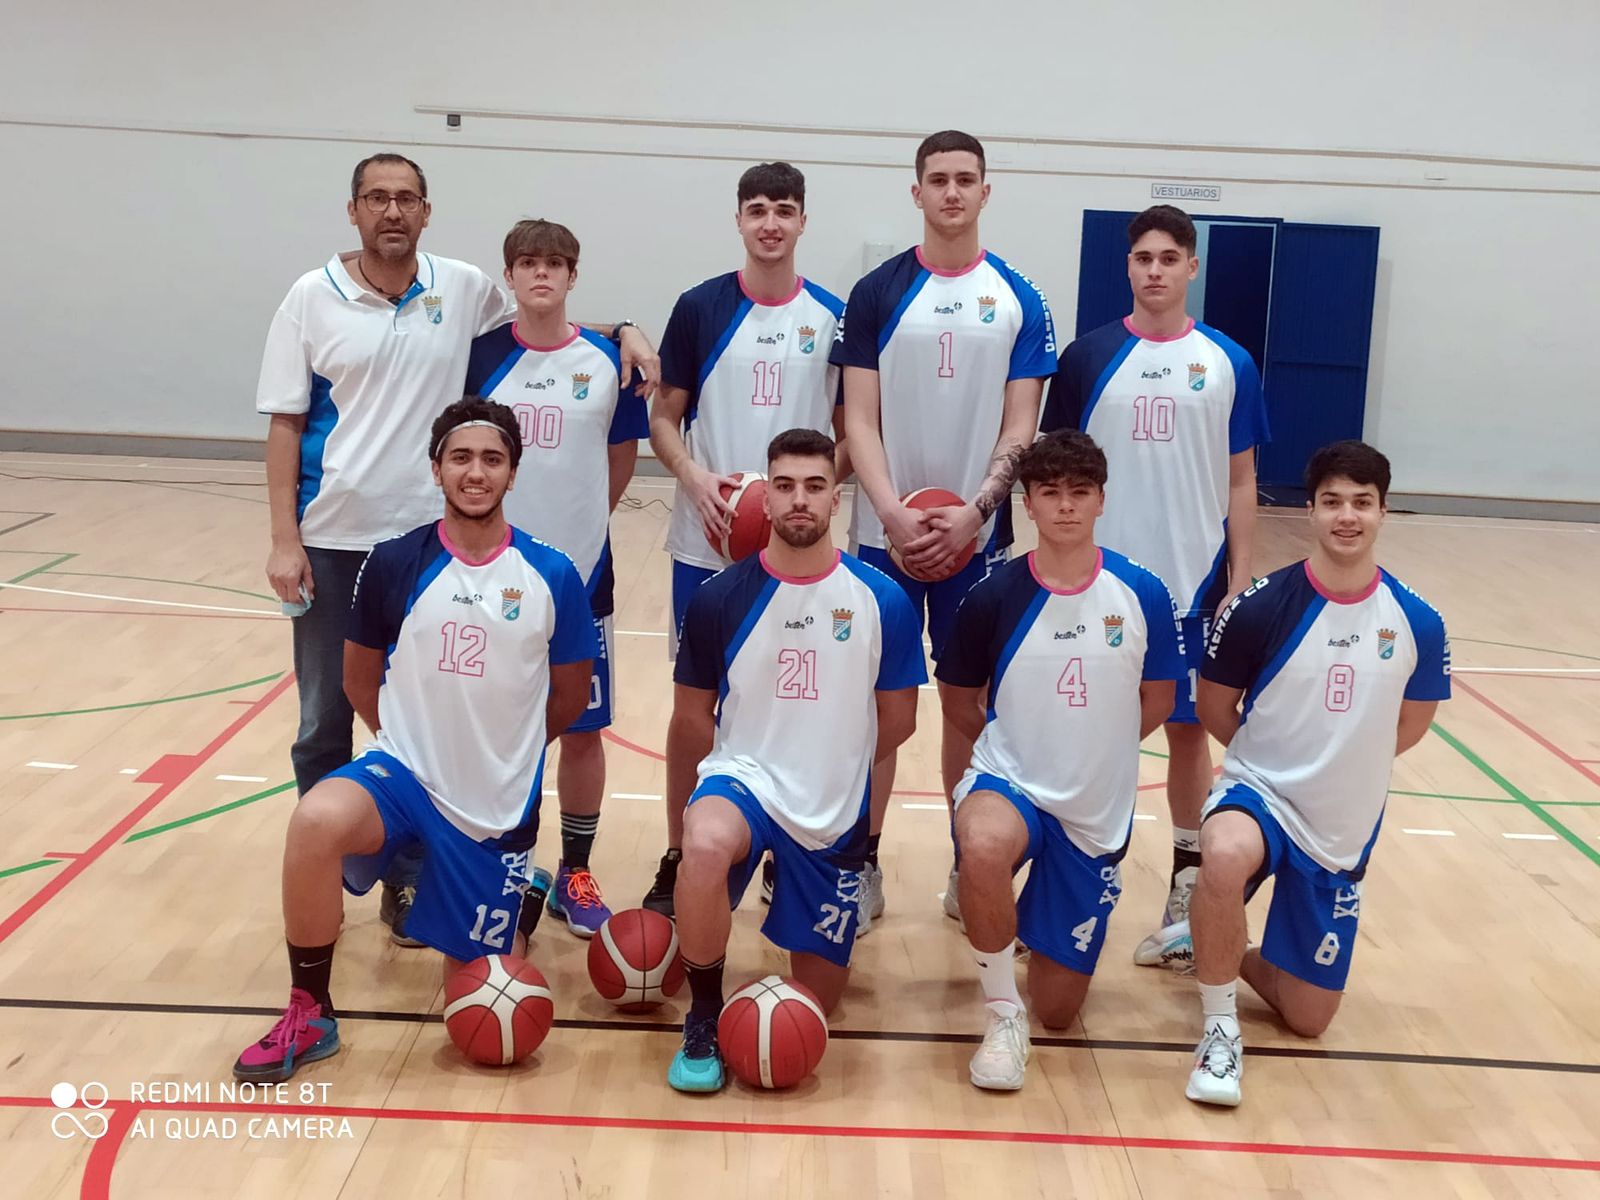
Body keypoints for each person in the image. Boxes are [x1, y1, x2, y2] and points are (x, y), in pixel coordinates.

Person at [257, 152, 658, 944]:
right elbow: (283, 423)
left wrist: (626, 329)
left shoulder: (460, 288)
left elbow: (553, 317)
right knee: (326, 718)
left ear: (427, 211)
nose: (392, 211)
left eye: (406, 198)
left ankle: (416, 877)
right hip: (336, 537)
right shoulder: (310, 297)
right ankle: (336, 865)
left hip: (434, 545)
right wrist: (282, 539)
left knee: (452, 722)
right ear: (354, 210)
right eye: (377, 198)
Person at [232, 397, 597, 1083]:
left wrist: (506, 748)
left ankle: (522, 893)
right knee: (314, 821)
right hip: (403, 778)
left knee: (483, 1007)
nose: (476, 472)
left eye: (492, 459)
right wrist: (409, 741)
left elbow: (569, 698)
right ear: (437, 468)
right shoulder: (394, 562)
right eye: (461, 458)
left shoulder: (552, 575)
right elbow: (358, 679)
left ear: (513, 473)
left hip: (491, 810)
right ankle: (310, 1012)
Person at [1182, 440, 1450, 1107]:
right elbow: (1214, 706)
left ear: (1384, 511)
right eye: (1332, 501)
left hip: (1341, 823)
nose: (1347, 516)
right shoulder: (1262, 607)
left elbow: (1412, 724)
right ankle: (1219, 1030)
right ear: (1309, 511)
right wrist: (1275, 760)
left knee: (1307, 1018)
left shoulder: (1418, 622)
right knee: (1224, 852)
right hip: (1261, 793)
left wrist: (1341, 761)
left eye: (1362, 502)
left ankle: (1209, 934)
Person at [833, 129, 1056, 924]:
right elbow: (858, 417)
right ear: (916, 191)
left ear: (986, 192)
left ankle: (973, 867)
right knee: (875, 711)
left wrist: (974, 513)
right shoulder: (876, 293)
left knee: (972, 709)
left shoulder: (1020, 298)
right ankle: (859, 863)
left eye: (966, 179)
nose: (952, 192)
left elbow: (1020, 423)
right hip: (879, 539)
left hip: (979, 543)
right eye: (938, 179)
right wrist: (891, 512)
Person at [1040, 204, 1270, 970]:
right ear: (1128, 267)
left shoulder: (1229, 361)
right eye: (1143, 258)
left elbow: (1242, 478)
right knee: (1073, 721)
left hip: (1192, 582)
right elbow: (1055, 472)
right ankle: (1057, 865)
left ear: (1192, 268)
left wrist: (1240, 579)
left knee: (1185, 732)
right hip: (1093, 581)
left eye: (1170, 258)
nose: (1156, 270)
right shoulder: (1087, 357)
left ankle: (1184, 877)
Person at [664, 429, 924, 1092]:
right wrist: (685, 822)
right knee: (706, 842)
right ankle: (702, 1014)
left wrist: (832, 760)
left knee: (818, 1005)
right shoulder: (720, 597)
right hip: (744, 780)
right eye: (784, 486)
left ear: (836, 500)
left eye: (814, 486)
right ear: (766, 497)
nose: (799, 500)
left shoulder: (881, 599)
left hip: (830, 811)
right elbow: (692, 718)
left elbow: (898, 720)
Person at [938, 430, 1184, 1090]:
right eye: (1050, 493)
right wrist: (1022, 743)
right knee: (984, 843)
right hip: (1010, 779)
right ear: (1029, 503)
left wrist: (1091, 744)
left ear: (1102, 500)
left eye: (1080, 493)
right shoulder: (994, 595)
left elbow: (1157, 700)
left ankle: (1043, 954)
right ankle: (1000, 1013)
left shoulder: (1143, 594)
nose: (1066, 507)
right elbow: (960, 702)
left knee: (1058, 1010)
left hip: (1092, 814)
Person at [641, 162, 848, 919]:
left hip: (803, 554)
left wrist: (806, 499)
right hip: (707, 545)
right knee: (695, 706)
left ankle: (792, 849)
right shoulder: (700, 307)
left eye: (784, 210)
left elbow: (853, 430)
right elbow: (665, 416)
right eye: (757, 209)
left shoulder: (833, 315)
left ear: (802, 222)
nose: (770, 223)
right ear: (738, 220)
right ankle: (678, 848)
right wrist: (695, 480)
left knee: (800, 700)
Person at [464, 220, 649, 939]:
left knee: (581, 727)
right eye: (528, 264)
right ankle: (496, 864)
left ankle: (574, 869)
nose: (541, 275)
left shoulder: (606, 360)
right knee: (493, 725)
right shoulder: (479, 356)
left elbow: (622, 453)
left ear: (573, 275)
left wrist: (585, 528)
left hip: (581, 576)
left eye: (555, 264)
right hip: (488, 576)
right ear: (508, 275)